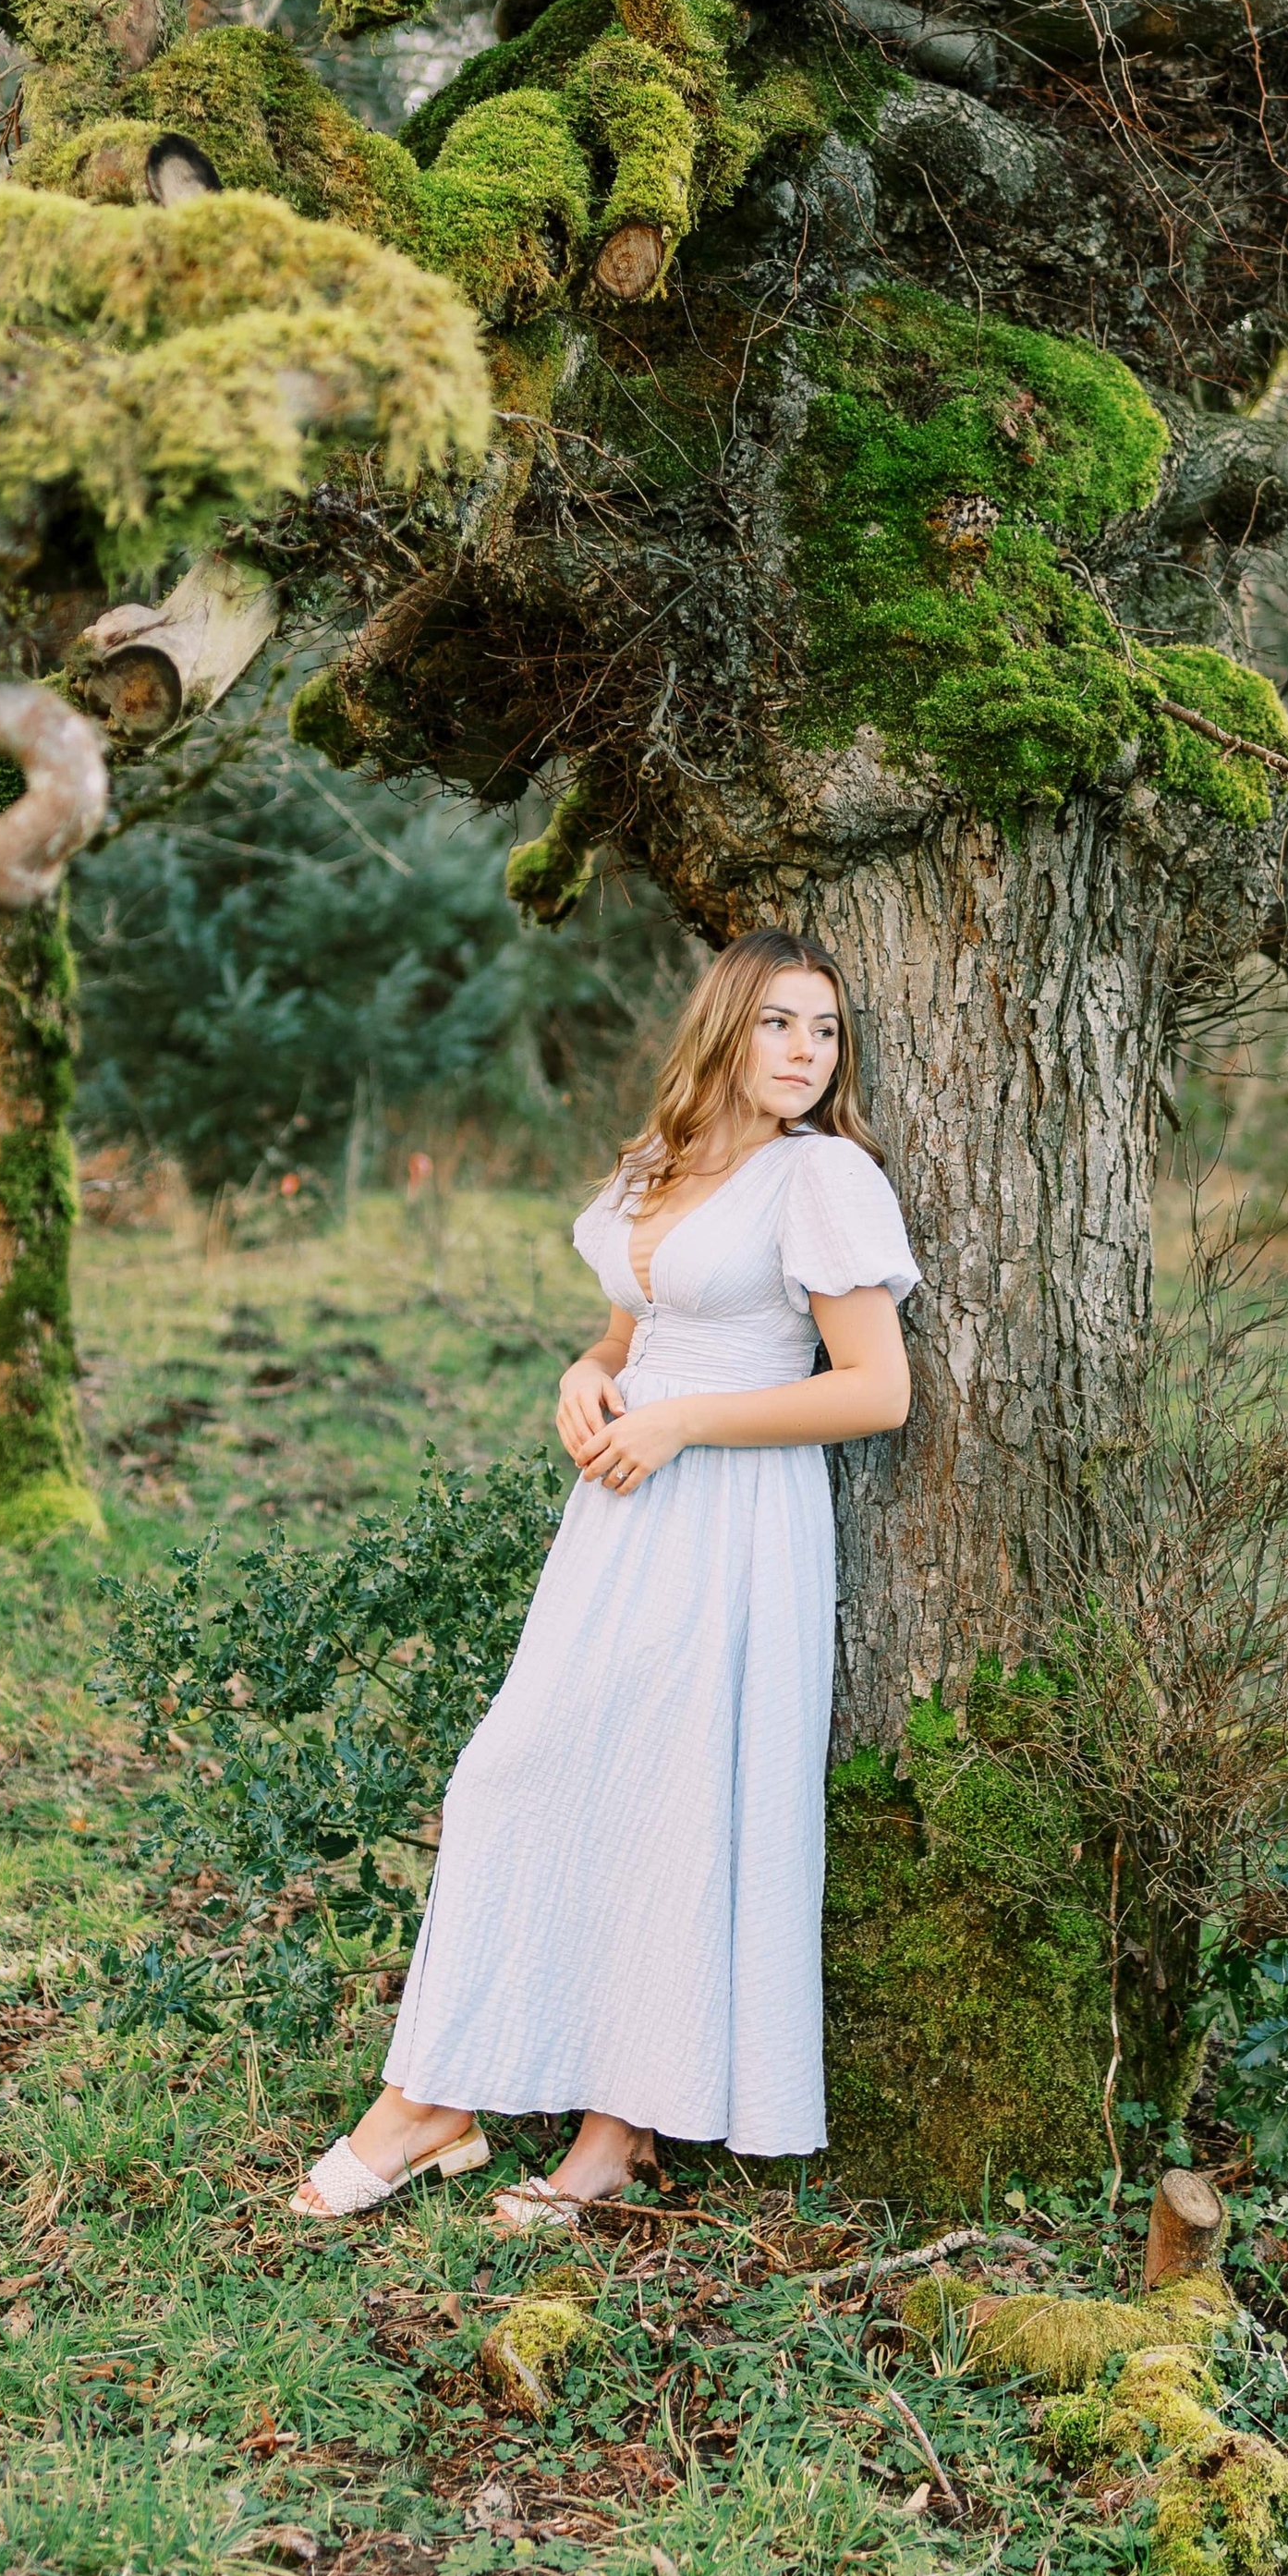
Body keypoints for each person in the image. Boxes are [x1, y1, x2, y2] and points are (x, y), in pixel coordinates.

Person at [291, 928, 917, 2227]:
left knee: (681, 1805)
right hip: (623, 1517)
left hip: (736, 1519)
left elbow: (875, 1391)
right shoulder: (660, 1167)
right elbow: (631, 1336)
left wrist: (684, 1423)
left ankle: (605, 2136)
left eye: (827, 1031)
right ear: (723, 1028)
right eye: (779, 1023)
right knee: (515, 1771)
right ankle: (442, 2100)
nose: (806, 1052)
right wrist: (586, 1376)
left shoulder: (822, 1178)